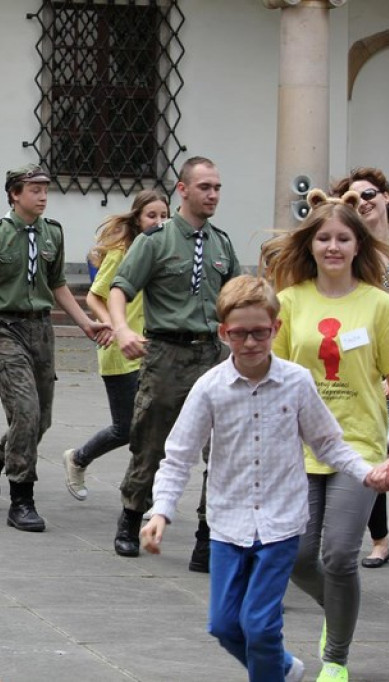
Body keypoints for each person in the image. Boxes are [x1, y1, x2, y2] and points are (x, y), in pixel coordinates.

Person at [140, 275, 389, 682]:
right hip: (227, 524)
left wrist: (368, 474)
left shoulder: (296, 381)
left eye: (259, 332)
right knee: (224, 625)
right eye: (239, 334)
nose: (250, 342)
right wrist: (161, 511)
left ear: (275, 328)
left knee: (260, 626)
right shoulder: (210, 388)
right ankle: (283, 669)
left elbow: (328, 443)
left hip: (281, 524)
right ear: (223, 333)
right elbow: (178, 456)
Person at [269, 188, 389, 681]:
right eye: (324, 237)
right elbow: (272, 378)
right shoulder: (288, 303)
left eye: (343, 238)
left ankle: (336, 658)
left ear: (357, 245)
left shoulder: (380, 305)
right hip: (299, 447)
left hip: (360, 448)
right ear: (310, 244)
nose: (333, 246)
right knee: (298, 558)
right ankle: (339, 608)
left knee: (340, 555)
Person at [0, 164, 110, 532]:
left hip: (41, 329)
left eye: (45, 189)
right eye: (34, 190)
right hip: (5, 328)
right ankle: (22, 500)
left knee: (41, 420)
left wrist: (86, 322)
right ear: (14, 194)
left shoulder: (52, 233)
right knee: (25, 412)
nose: (43, 197)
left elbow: (58, 285)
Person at [107, 156, 239, 567]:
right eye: (205, 187)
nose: (213, 195)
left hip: (213, 354)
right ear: (183, 189)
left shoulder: (221, 243)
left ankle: (207, 537)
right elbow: (119, 288)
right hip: (167, 354)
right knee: (151, 440)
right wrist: (122, 330)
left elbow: (236, 297)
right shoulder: (156, 240)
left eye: (217, 187)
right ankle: (131, 516)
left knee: (220, 448)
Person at [63, 189, 169, 500]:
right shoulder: (122, 252)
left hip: (153, 349)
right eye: (152, 215)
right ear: (137, 219)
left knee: (154, 427)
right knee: (126, 428)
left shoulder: (166, 251)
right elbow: (95, 296)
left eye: (164, 216)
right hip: (120, 349)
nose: (159, 221)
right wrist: (113, 324)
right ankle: (78, 458)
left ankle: (147, 493)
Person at [332, 167, 389, 571]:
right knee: (372, 451)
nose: (364, 202)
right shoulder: (354, 258)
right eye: (354, 199)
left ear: (387, 197)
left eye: (370, 194)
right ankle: (379, 541)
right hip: (364, 370)